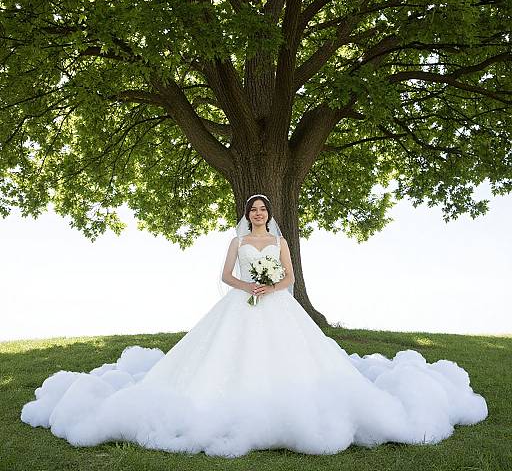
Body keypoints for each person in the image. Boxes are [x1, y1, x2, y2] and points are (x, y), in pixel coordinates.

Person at [20, 194, 488, 458]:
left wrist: (272, 287)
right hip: (242, 301)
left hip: (277, 303)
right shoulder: (238, 239)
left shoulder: (279, 241)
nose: (259, 215)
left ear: (270, 215)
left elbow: (290, 275)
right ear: (248, 215)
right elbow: (224, 275)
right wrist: (247, 285)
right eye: (254, 210)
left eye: (264, 210)